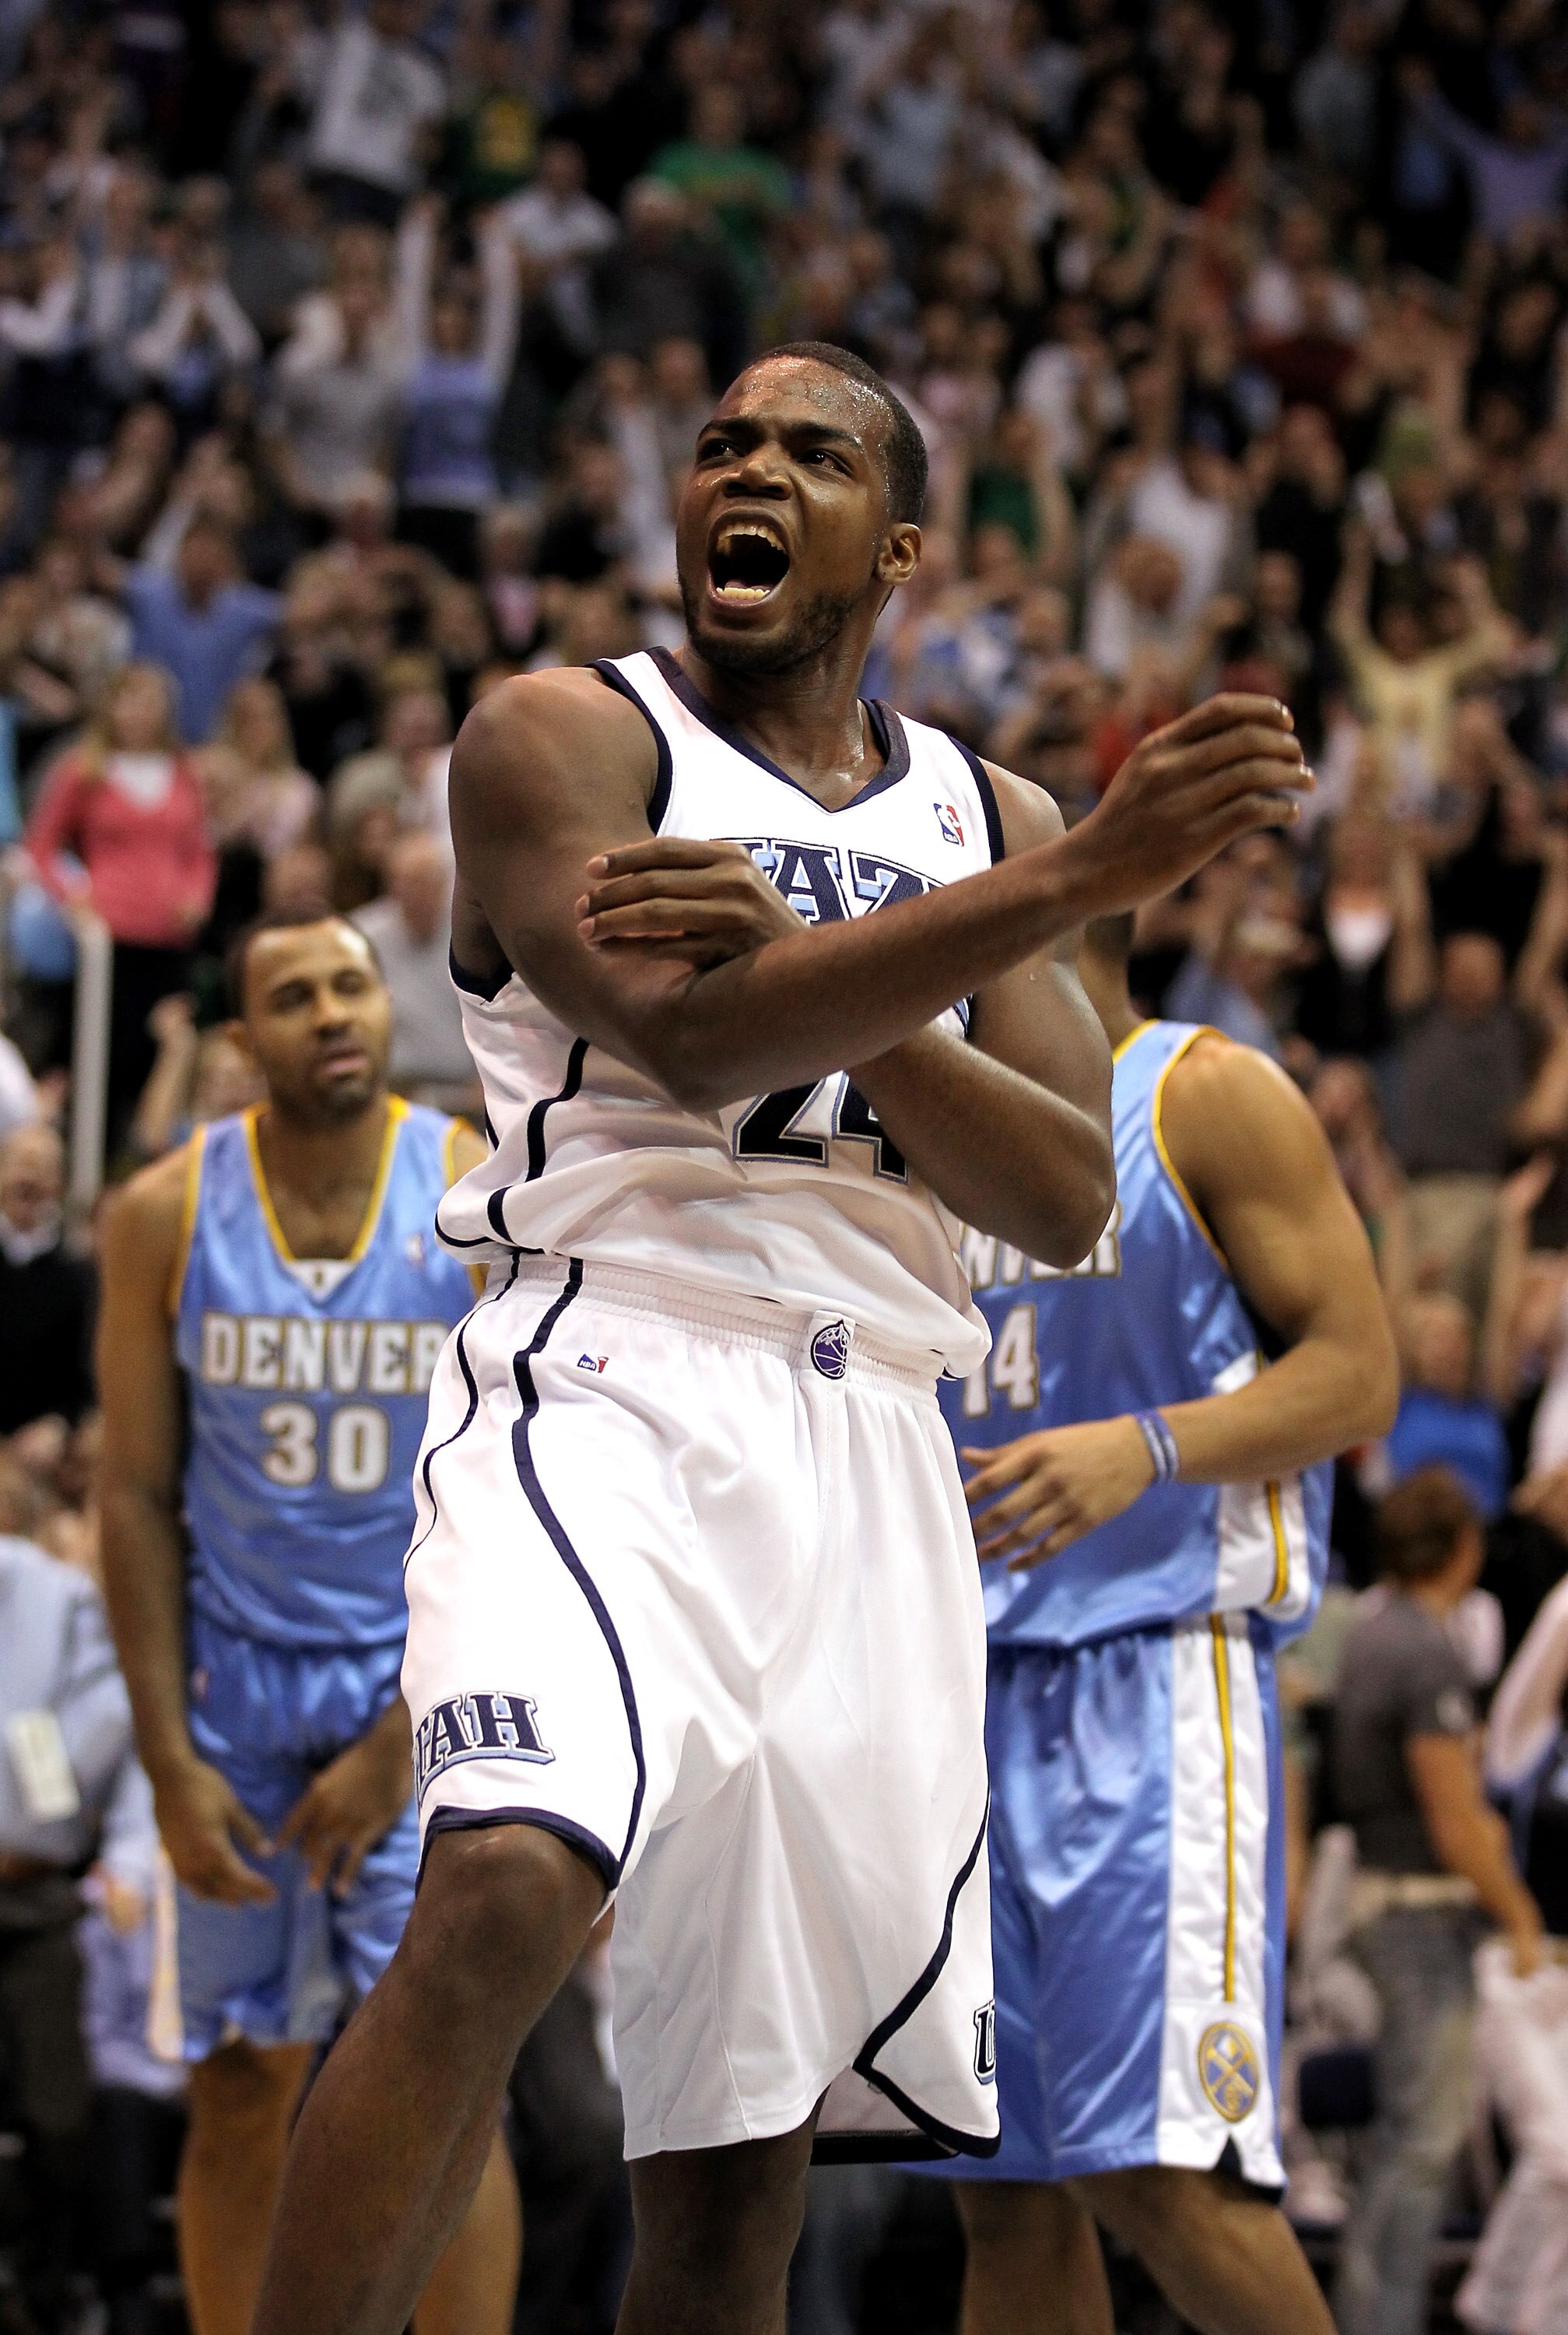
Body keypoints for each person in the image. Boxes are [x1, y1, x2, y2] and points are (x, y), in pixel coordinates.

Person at [244, 340, 1313, 2335]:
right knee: (497, 1883)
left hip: (878, 1442)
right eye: (722, 441)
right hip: (614, 1371)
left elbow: (1063, 1194)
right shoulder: (562, 732)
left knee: (740, 2150)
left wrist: (862, 977)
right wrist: (1072, 881)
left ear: (894, 544)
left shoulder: (976, 803)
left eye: (809, 452)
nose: (745, 467)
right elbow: (699, 1038)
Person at [926, 911, 1396, 2335]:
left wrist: (1147, 1445)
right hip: (953, 1693)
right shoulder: (929, 1140)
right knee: (1000, 2197)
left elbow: (1361, 1377)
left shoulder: (1202, 1091)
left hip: (1153, 1682)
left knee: (1162, 2175)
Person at [95, 907, 520, 2335]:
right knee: (237, 2079)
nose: (334, 1013)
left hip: (433, 1689)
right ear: (242, 1039)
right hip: (237, 1695)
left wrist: (404, 1738)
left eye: (350, 985)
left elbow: (519, 1493)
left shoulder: (468, 1185)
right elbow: (136, 1497)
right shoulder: (160, 1213)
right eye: (295, 996)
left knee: (452, 2090)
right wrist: (165, 1758)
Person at [1331, 1466, 1545, 2335]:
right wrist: (1519, 1914)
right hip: (1418, 1914)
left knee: (1401, 2141)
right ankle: (1374, 2323)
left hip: (1375, 1899)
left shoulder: (1366, 1628)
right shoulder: (1423, 1647)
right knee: (1418, 2147)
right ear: (1462, 1549)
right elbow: (1453, 1819)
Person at [23, 661, 216, 1144]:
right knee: (103, 1056)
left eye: (149, 703)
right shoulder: (82, 770)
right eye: (129, 701)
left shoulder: (183, 772)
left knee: (165, 1055)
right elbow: (41, 845)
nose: (138, 714)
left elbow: (199, 851)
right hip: (109, 939)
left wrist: (196, 897)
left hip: (169, 938)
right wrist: (70, 896)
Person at [0, 1122, 94, 1436]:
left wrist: (58, 1423)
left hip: (41, 1453)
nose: (29, 1178)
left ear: (60, 1185)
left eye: (42, 1168)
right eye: (20, 1164)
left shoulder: (77, 1278)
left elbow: (83, 1380)